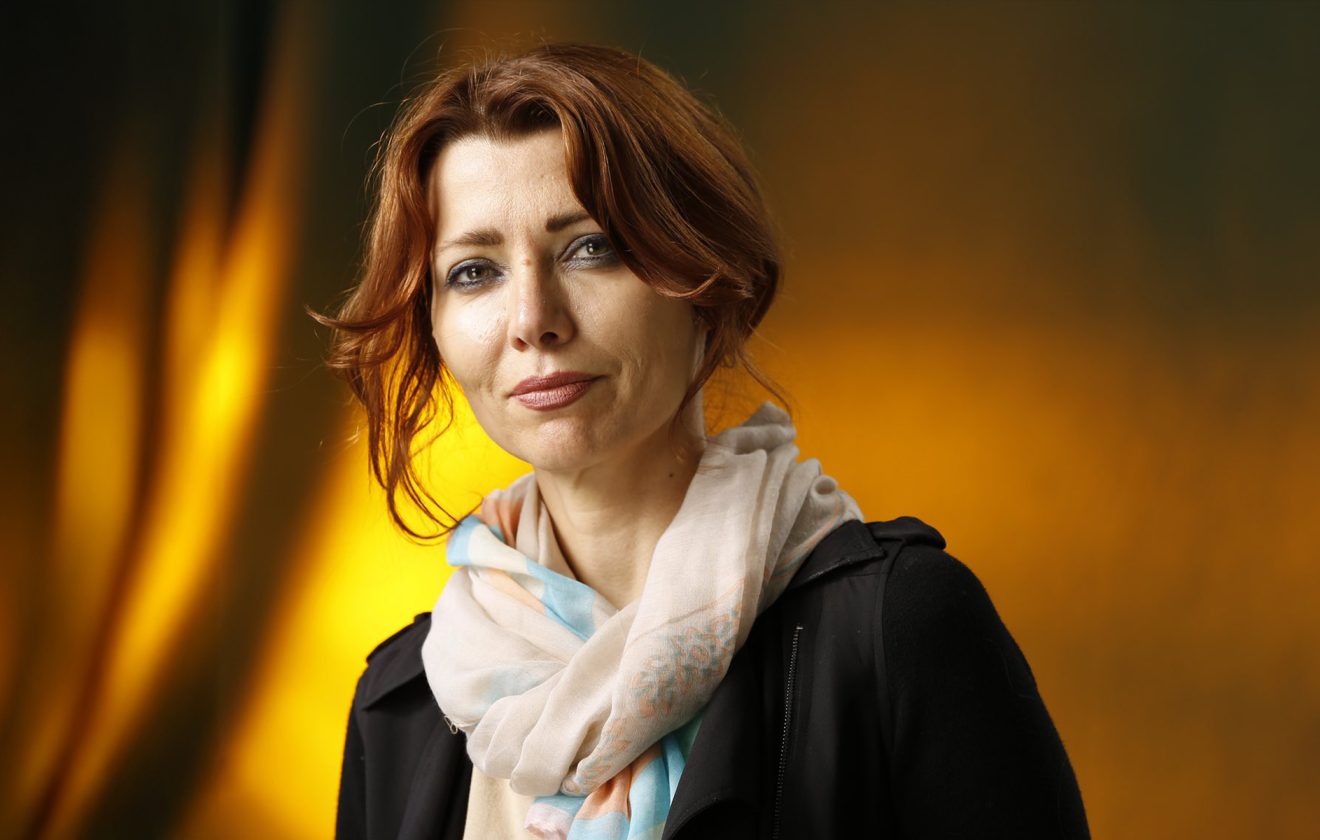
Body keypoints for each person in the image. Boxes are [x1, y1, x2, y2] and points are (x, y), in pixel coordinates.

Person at [316, 42, 1090, 840]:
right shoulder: (402, 704)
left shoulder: (899, 631)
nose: (533, 320)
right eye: (475, 272)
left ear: (703, 279)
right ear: (433, 324)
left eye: (591, 247)